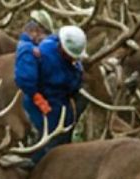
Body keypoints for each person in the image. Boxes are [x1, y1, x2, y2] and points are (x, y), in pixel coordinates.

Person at [14, 24, 88, 162]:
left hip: (60, 105)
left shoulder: (60, 51)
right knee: (46, 144)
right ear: (63, 49)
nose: (74, 59)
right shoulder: (44, 56)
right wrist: (37, 99)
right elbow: (26, 80)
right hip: (44, 105)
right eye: (72, 55)